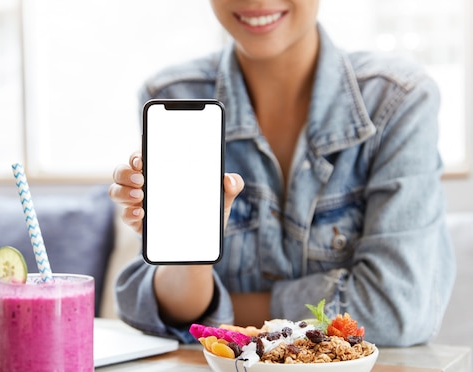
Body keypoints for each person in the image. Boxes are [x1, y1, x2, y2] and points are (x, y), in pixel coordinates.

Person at [108, 0, 455, 347]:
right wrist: (192, 256)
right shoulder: (173, 97)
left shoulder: (396, 100)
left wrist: (221, 315)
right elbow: (174, 309)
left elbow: (393, 311)